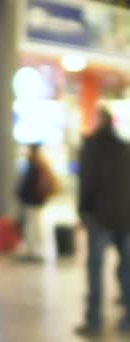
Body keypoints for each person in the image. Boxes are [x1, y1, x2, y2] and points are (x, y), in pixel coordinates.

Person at [76, 109, 130, 337]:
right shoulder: (124, 148)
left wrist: (83, 211)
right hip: (125, 218)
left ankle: (94, 320)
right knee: (127, 269)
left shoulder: (91, 147)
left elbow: (86, 182)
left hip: (99, 217)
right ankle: (128, 317)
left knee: (95, 269)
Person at [17, 144, 58, 262]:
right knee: (35, 226)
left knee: (32, 226)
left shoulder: (34, 164)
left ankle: (34, 251)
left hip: (32, 200)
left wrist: (20, 194)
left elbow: (27, 184)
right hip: (38, 200)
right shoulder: (41, 163)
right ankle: (36, 250)